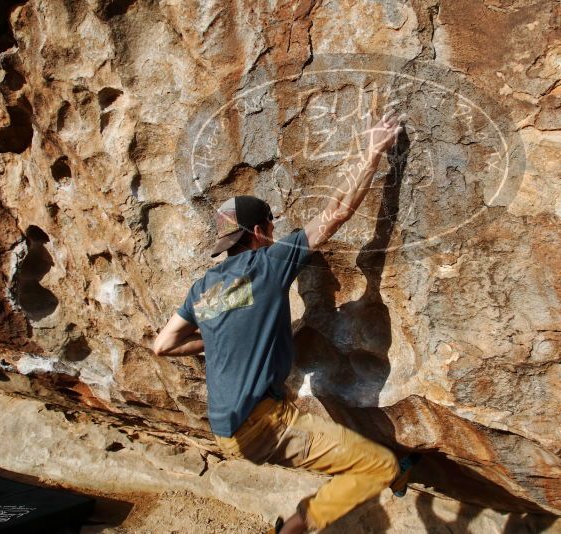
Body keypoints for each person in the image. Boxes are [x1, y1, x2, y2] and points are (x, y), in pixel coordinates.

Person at [153, 109, 409, 533]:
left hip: (226, 431)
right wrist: (373, 151)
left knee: (344, 455)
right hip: (266, 426)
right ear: (260, 231)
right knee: (377, 467)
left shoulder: (205, 289)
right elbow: (337, 212)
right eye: (271, 227)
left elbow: (162, 345)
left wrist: (215, 339)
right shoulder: (268, 264)